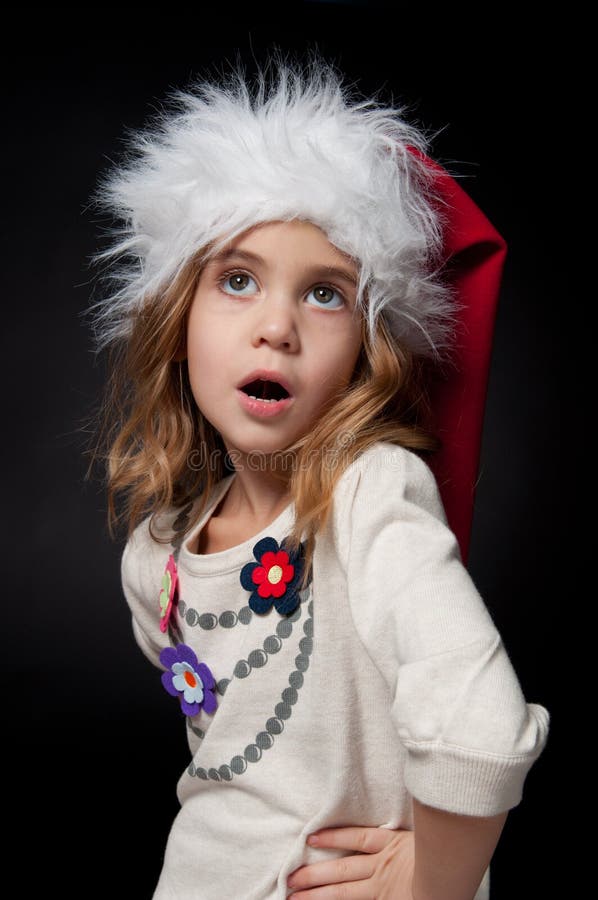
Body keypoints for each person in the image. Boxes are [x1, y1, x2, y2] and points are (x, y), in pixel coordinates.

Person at [87, 56, 550, 900]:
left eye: (326, 295)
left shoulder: (370, 492)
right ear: (175, 319)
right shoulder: (156, 560)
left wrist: (427, 883)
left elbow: (479, 732)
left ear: (366, 353)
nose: (276, 328)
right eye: (236, 280)